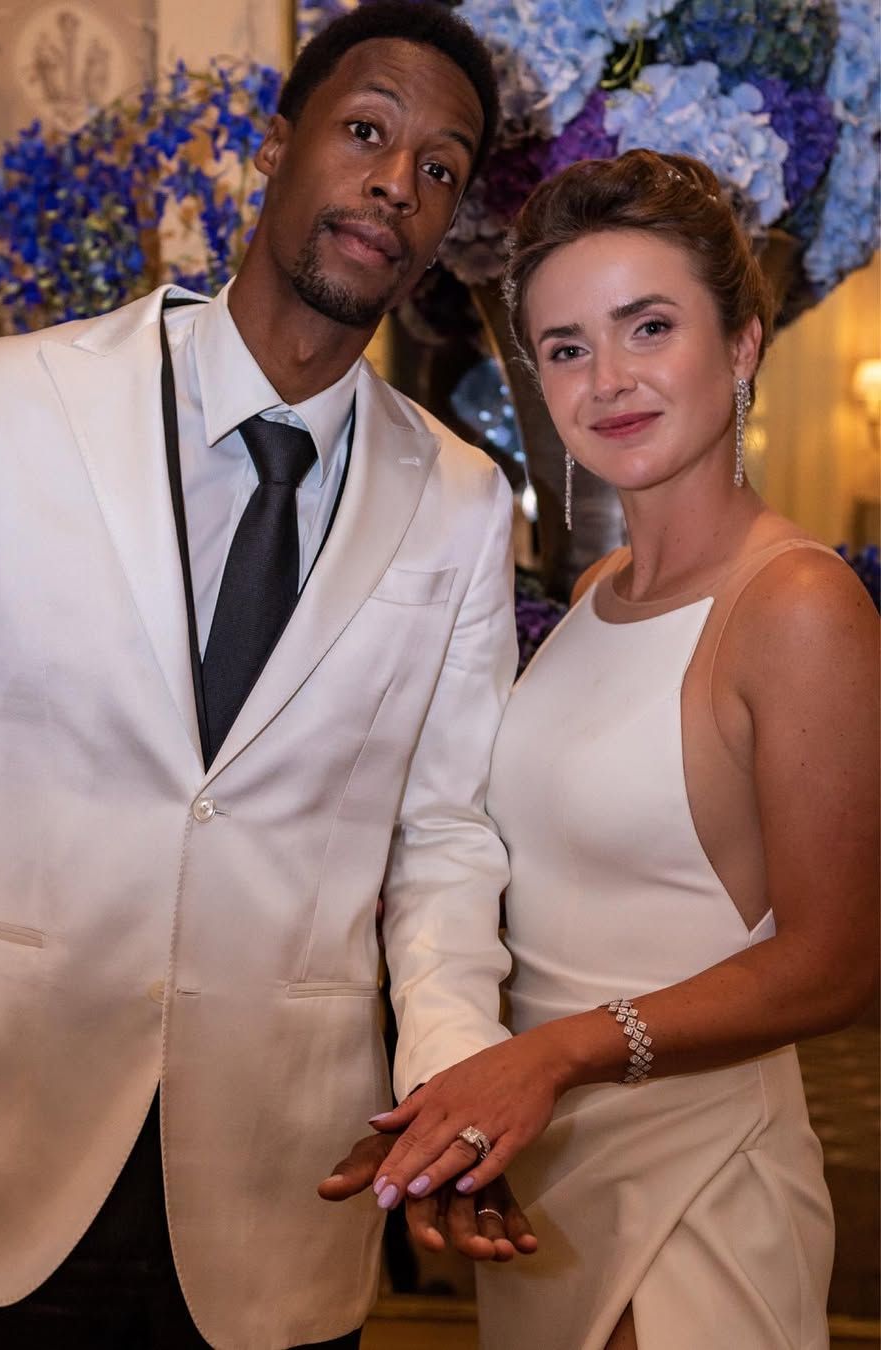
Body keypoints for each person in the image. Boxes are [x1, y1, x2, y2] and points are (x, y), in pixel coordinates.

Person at [0, 7, 533, 1348]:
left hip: (283, 1201)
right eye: (366, 130)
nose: (397, 181)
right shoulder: (0, 407)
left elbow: (443, 843)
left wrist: (448, 1086)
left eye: (440, 166)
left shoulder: (465, 501)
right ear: (275, 147)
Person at [358, 150, 879, 1349]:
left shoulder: (798, 604)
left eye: (650, 327)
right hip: (546, 1166)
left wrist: (551, 1057)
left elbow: (837, 964)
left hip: (696, 1184)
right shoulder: (599, 588)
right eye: (567, 346)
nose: (609, 380)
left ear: (741, 345)